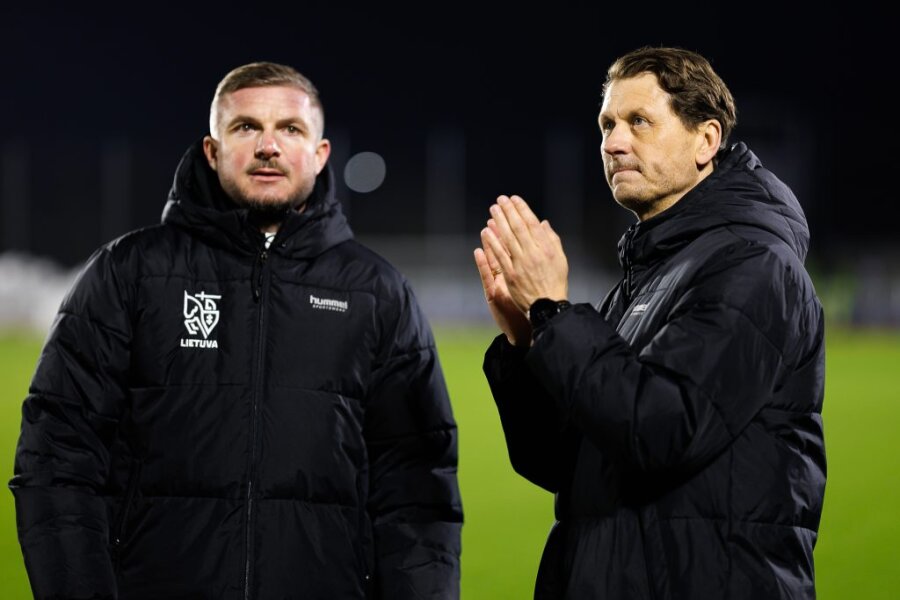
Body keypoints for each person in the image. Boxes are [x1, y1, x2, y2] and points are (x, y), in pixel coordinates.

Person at [10, 61, 462, 600]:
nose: (268, 146)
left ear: (320, 154)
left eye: (290, 128)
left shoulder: (378, 294)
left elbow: (418, 491)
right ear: (212, 149)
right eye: (246, 126)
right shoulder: (128, 274)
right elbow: (57, 458)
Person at [474, 46, 826, 599]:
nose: (613, 142)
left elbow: (662, 431)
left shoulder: (752, 264)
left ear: (706, 140)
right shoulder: (649, 275)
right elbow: (564, 461)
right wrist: (527, 339)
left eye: (639, 121)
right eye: (607, 125)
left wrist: (555, 313)